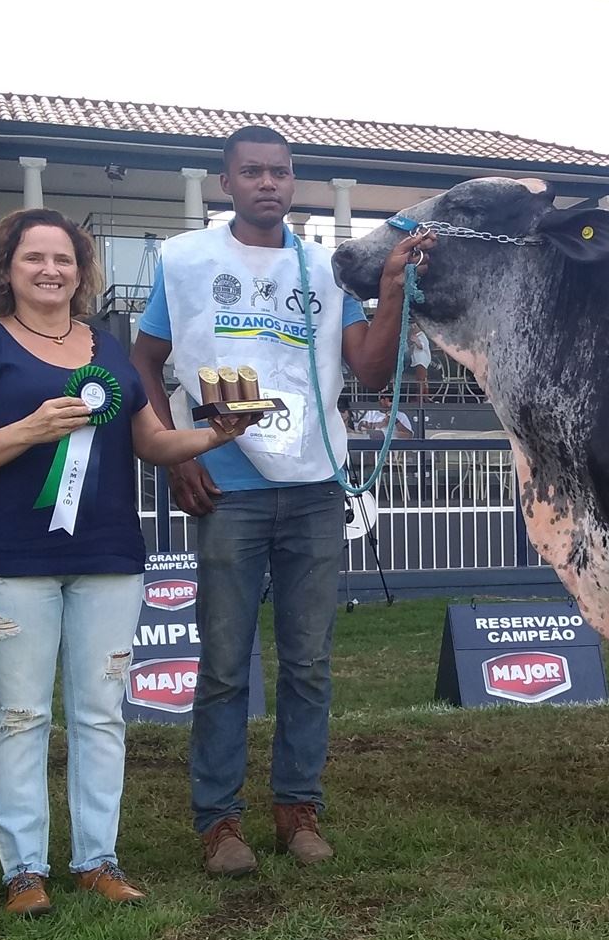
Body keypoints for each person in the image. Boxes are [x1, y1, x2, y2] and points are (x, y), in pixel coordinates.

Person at [0, 209, 250, 918]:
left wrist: (212, 435)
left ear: (82, 272)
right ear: (4, 268)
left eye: (65, 259)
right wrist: (28, 429)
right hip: (9, 560)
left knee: (101, 712)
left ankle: (97, 859)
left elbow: (150, 443)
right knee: (20, 715)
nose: (51, 270)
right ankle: (24, 869)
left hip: (109, 556)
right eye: (34, 258)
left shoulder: (107, 352)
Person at [130, 124, 416, 877]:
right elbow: (145, 360)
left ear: (294, 183)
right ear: (227, 181)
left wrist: (388, 294)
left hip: (316, 488)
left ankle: (298, 806)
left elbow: (372, 370)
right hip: (229, 485)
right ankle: (220, 821)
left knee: (310, 662)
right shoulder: (186, 260)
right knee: (224, 663)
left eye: (281, 173)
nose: (268, 183)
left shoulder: (325, 268)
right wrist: (173, 449)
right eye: (252, 171)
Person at [406, 323, 432, 402]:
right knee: (423, 380)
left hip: (421, 361)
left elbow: (421, 346)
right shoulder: (419, 336)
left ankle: (419, 399)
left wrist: (415, 340)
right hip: (419, 361)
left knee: (420, 380)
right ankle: (425, 397)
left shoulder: (421, 336)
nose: (412, 327)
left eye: (414, 326)